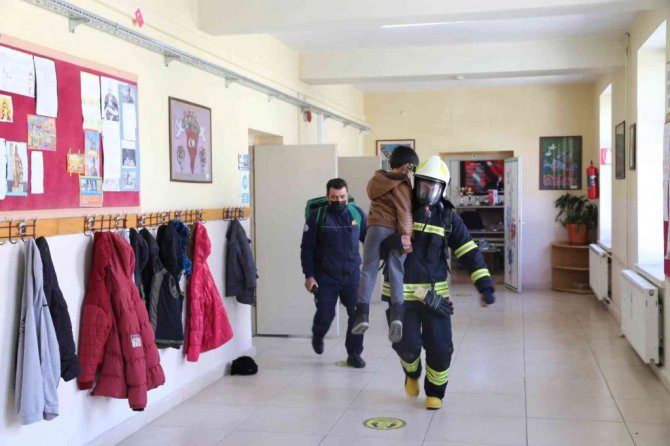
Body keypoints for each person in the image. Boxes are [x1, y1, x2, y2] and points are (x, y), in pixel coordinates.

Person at [381, 155, 496, 410]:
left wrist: (485, 285)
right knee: (406, 346)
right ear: (416, 183)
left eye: (434, 187)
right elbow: (372, 244)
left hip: (434, 298)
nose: (428, 192)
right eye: (424, 185)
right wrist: (391, 242)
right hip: (400, 297)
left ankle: (435, 392)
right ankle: (412, 372)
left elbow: (468, 251)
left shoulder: (448, 218)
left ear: (442, 189)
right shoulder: (398, 208)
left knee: (441, 348)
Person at [352, 145, 418, 343]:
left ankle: (362, 315)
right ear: (406, 166)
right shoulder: (402, 184)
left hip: (374, 228)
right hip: (394, 231)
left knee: (368, 270)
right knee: (396, 271)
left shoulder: (377, 180)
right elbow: (404, 212)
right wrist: (406, 237)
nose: (411, 172)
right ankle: (397, 316)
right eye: (412, 167)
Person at [300, 178, 368, 368]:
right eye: (334, 197)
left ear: (347, 195)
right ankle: (318, 334)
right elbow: (307, 249)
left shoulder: (357, 214)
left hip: (352, 275)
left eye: (342, 196)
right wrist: (309, 276)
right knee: (325, 314)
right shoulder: (317, 217)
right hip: (325, 276)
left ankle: (354, 353)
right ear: (328, 196)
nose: (339, 200)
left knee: (357, 314)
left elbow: (368, 239)